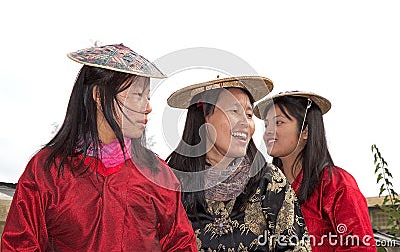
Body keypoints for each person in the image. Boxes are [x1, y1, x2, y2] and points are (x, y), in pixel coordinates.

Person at [1, 44, 197, 251]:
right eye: (138, 95)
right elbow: (19, 245)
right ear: (98, 95)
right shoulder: (46, 170)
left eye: (147, 97)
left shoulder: (158, 175)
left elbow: (181, 244)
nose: (148, 107)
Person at [166, 76, 311, 251]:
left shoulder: (269, 181)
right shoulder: (172, 183)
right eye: (234, 111)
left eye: (249, 115)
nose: (245, 123)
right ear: (205, 116)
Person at [254, 91, 377, 251]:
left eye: (279, 123)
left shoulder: (336, 184)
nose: (268, 131)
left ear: (305, 131)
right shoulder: (264, 188)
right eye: (266, 125)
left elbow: (361, 247)